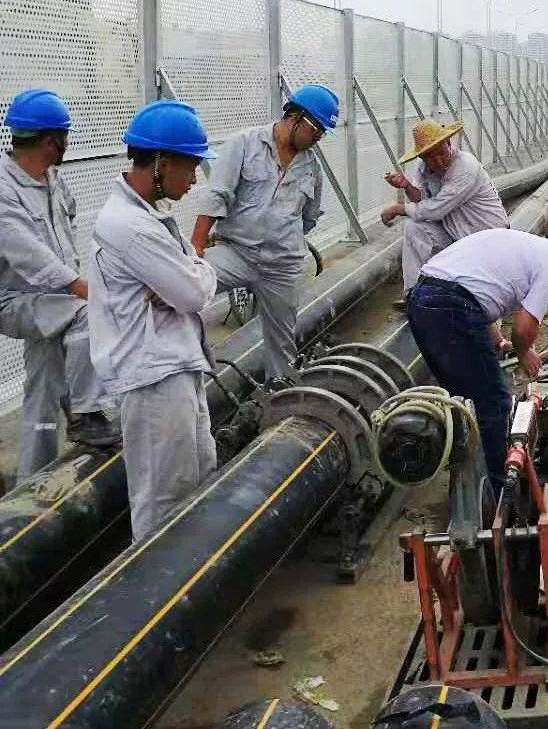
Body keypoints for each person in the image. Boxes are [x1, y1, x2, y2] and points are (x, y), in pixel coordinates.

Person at [88, 101, 218, 542]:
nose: (194, 178)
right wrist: (191, 276)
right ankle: (157, 602)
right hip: (154, 378)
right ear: (161, 162)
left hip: (173, 367)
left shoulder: (148, 218)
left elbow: (192, 282)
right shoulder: (131, 227)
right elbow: (195, 292)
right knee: (163, 501)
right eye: (191, 166)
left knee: (197, 485)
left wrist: (191, 271)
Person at [405, 230, 548, 482]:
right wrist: (523, 352)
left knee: (464, 401)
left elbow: (475, 298)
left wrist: (500, 342)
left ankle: (470, 482)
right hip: (450, 305)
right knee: (494, 402)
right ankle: (501, 487)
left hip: (422, 299)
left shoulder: (532, 249)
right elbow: (524, 326)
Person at [0, 89, 118, 482]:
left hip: (51, 304)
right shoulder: (3, 188)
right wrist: (79, 286)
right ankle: (86, 414)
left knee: (41, 398)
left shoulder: (53, 180)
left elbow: (66, 236)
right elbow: (27, 252)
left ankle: (29, 489)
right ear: (52, 140)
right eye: (65, 136)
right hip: (16, 301)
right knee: (89, 313)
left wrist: (76, 279)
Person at [189, 85, 338, 381]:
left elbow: (309, 218)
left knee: (281, 341)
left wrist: (282, 238)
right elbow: (217, 195)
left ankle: (279, 394)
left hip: (283, 264)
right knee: (186, 289)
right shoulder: (243, 144)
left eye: (322, 132)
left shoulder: (311, 166)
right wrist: (196, 245)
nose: (318, 138)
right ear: (296, 118)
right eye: (317, 129)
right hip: (237, 253)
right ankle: (186, 370)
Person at [381, 119, 508, 292]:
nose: (438, 162)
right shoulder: (423, 168)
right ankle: (413, 293)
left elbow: (436, 209)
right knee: (414, 227)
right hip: (457, 236)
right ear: (422, 157)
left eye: (441, 153)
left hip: (487, 240)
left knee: (479, 293)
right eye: (431, 158)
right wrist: (407, 186)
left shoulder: (465, 166)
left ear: (449, 143)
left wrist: (399, 209)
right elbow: (423, 201)